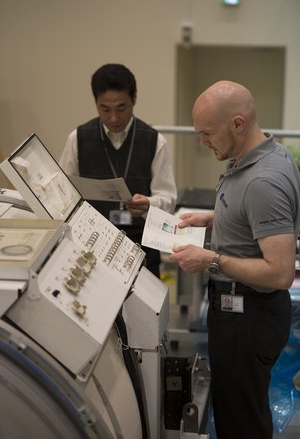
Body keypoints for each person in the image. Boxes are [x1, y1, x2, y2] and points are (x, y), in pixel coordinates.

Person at [169, 80, 300, 439]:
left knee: (241, 420)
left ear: (238, 124)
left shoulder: (264, 181)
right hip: (239, 312)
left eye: (208, 133)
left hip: (249, 316)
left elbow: (279, 272)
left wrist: (211, 259)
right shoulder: (259, 154)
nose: (203, 142)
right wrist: (210, 219)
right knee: (235, 408)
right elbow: (252, 219)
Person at [60, 63, 177, 278]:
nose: (114, 118)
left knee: (143, 312)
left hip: (141, 246)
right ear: (95, 103)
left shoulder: (154, 141)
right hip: (90, 244)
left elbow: (168, 198)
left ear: (134, 99)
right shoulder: (78, 139)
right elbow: (63, 194)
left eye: (121, 108)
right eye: (105, 109)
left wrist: (149, 203)